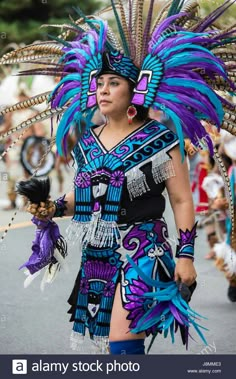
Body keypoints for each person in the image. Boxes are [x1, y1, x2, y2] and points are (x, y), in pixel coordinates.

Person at [2, 0, 236, 355]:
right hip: (98, 259)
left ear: (135, 91)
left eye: (113, 83)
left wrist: (185, 256)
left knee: (123, 348)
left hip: (143, 252)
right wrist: (52, 206)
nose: (104, 90)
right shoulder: (88, 143)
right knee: (112, 354)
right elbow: (88, 198)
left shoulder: (160, 138)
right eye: (99, 83)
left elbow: (181, 199)